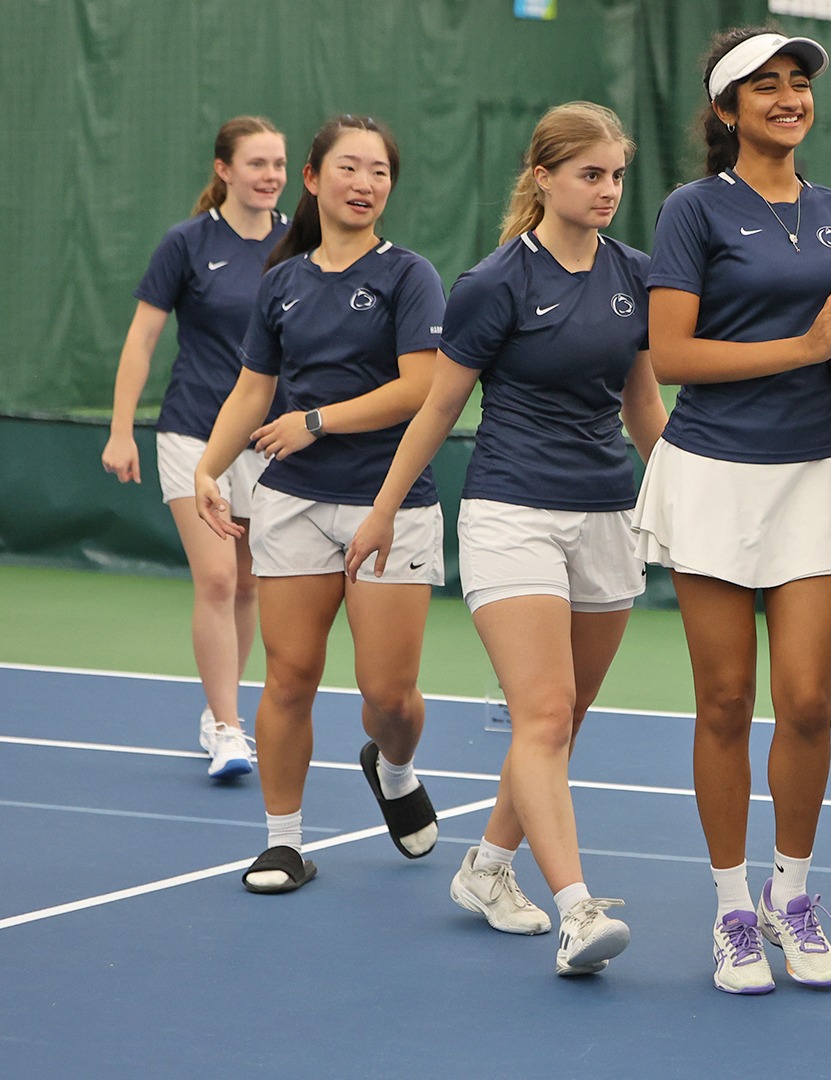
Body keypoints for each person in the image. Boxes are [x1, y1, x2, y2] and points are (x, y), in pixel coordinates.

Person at [345, 102, 664, 976]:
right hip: (511, 512)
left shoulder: (635, 275)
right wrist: (383, 507)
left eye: (616, 175)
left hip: (608, 516)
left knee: (566, 718)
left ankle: (486, 867)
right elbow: (439, 406)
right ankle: (577, 910)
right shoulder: (494, 282)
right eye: (590, 174)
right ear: (543, 178)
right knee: (544, 713)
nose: (607, 189)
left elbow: (642, 404)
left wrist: (684, 495)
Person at [639, 27, 831, 995]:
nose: (790, 98)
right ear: (726, 109)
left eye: (799, 84)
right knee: (723, 701)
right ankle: (731, 910)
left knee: (809, 700)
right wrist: (802, 346)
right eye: (767, 86)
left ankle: (792, 896)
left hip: (812, 474)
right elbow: (672, 356)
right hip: (712, 472)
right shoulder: (692, 210)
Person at [194, 115, 445, 894]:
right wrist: (208, 467)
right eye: (348, 168)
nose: (364, 184)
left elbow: (420, 388)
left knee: (388, 697)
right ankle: (284, 843)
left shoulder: (410, 276)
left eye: (379, 172)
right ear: (312, 179)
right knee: (290, 676)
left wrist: (315, 422)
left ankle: (394, 769)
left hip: (390, 503)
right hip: (293, 505)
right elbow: (252, 390)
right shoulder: (283, 282)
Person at [103, 116, 289, 780]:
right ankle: (231, 730)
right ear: (224, 169)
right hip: (190, 433)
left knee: (248, 584)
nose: (270, 176)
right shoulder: (185, 242)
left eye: (278, 164)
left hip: (267, 441)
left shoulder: (299, 242)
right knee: (215, 579)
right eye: (257, 163)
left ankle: (218, 710)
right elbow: (142, 339)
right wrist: (121, 429)